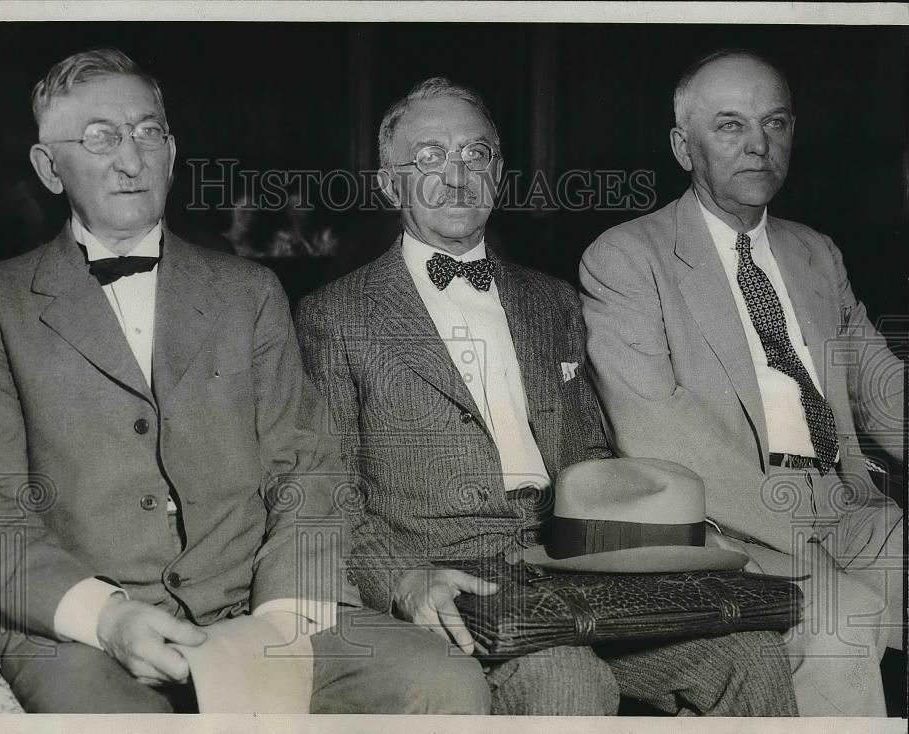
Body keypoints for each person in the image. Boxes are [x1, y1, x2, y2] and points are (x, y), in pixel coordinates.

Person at [0, 49, 490, 715]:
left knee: (446, 686)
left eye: (149, 133)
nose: (130, 159)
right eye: (99, 138)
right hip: (80, 632)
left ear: (172, 155)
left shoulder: (249, 292)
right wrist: (106, 617)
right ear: (48, 168)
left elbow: (308, 467)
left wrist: (284, 615)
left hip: (254, 603)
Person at [296, 76, 797, 716]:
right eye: (429, 158)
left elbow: (590, 453)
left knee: (751, 657)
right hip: (452, 580)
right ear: (390, 184)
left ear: (499, 174)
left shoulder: (553, 300)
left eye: (476, 155)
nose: (457, 176)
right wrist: (403, 578)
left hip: (573, 568)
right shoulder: (333, 317)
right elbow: (326, 488)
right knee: (569, 681)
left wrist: (681, 552)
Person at [578, 49, 904, 716]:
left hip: (847, 506)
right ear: (682, 146)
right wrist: (798, 520)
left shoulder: (816, 250)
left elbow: (877, 383)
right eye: (729, 126)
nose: (758, 146)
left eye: (775, 123)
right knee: (843, 627)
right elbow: (657, 432)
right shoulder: (625, 258)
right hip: (732, 529)